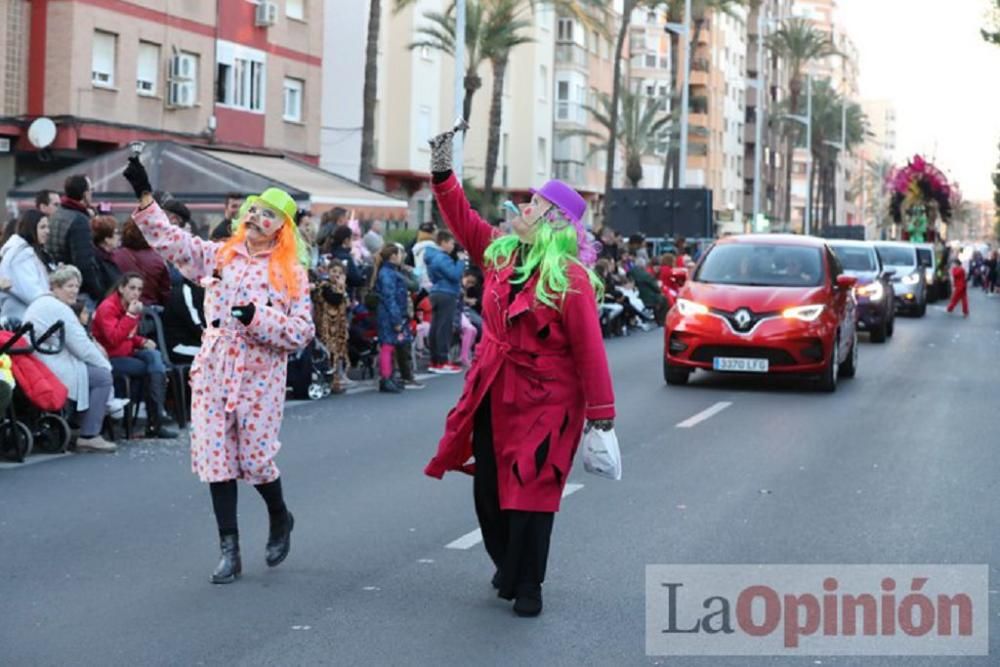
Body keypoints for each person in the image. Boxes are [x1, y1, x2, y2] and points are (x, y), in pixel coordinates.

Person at [424, 125, 616, 617]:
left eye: (531, 206)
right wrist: (443, 169)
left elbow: (590, 350)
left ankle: (528, 583)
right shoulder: (499, 254)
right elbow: (462, 219)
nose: (520, 210)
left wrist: (602, 413)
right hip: (493, 389)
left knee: (532, 491)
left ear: (552, 220)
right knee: (489, 490)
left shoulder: (571, 279)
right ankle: (505, 561)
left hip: (548, 399)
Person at [123, 156, 314, 585]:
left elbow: (302, 332)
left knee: (256, 460)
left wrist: (256, 318)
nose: (256, 217)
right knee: (216, 459)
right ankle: (230, 549)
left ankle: (280, 515)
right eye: (254, 210)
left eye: (268, 214)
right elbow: (172, 242)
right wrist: (144, 195)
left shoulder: (292, 275)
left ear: (281, 229)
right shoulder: (220, 256)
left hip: (260, 375)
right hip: (213, 368)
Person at [24, 266, 123, 453]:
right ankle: (89, 435)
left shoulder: (41, 303)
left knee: (91, 372)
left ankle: (80, 424)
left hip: (40, 361)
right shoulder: (59, 308)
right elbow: (82, 347)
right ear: (56, 287)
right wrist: (106, 365)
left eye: (77, 286)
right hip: (50, 364)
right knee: (102, 377)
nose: (74, 291)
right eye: (69, 286)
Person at [92, 273, 178, 440]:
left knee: (154, 356)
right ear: (121, 288)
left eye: (139, 289)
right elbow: (113, 338)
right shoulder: (108, 308)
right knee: (151, 369)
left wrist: (142, 340)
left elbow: (128, 335)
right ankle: (156, 418)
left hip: (128, 351)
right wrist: (131, 316)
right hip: (110, 357)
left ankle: (156, 415)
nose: (136, 293)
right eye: (132, 288)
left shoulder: (132, 305)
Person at [47, 174, 102, 305]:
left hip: (59, 286)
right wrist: (99, 292)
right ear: (84, 194)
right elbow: (84, 263)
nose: (92, 193)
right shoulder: (79, 221)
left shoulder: (57, 214)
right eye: (90, 190)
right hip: (78, 292)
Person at [0, 210, 53, 323]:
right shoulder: (21, 255)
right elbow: (32, 293)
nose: (47, 231)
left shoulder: (26, 252)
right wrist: (54, 300)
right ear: (31, 228)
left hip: (26, 317)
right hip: (22, 319)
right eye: (42, 227)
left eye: (48, 227)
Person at [425, 230, 466, 374]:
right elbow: (454, 275)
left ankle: (435, 360)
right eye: (451, 243)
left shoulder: (431, 257)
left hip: (437, 291)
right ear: (442, 243)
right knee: (444, 327)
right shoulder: (442, 258)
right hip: (446, 293)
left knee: (436, 326)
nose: (453, 246)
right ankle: (442, 361)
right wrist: (461, 262)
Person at [371, 245, 410, 393]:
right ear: (393, 256)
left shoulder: (389, 272)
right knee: (387, 345)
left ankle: (389, 377)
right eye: (399, 254)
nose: (401, 257)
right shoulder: (387, 273)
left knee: (391, 345)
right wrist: (396, 320)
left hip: (390, 313)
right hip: (388, 314)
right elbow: (389, 298)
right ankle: (386, 378)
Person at [311, 259, 350, 394]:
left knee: (338, 351)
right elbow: (335, 299)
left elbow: (346, 304)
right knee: (328, 352)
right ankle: (330, 380)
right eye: (334, 271)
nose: (336, 275)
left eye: (340, 272)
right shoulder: (324, 286)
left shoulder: (339, 286)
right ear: (328, 272)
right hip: (326, 325)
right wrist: (341, 288)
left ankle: (337, 378)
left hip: (338, 325)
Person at [111, 219, 171, 306]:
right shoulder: (158, 259)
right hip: (149, 309)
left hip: (121, 306)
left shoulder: (115, 256)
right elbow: (165, 291)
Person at [91, 215, 123, 297]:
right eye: (116, 233)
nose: (119, 237)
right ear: (107, 239)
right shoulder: (98, 259)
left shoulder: (109, 257)